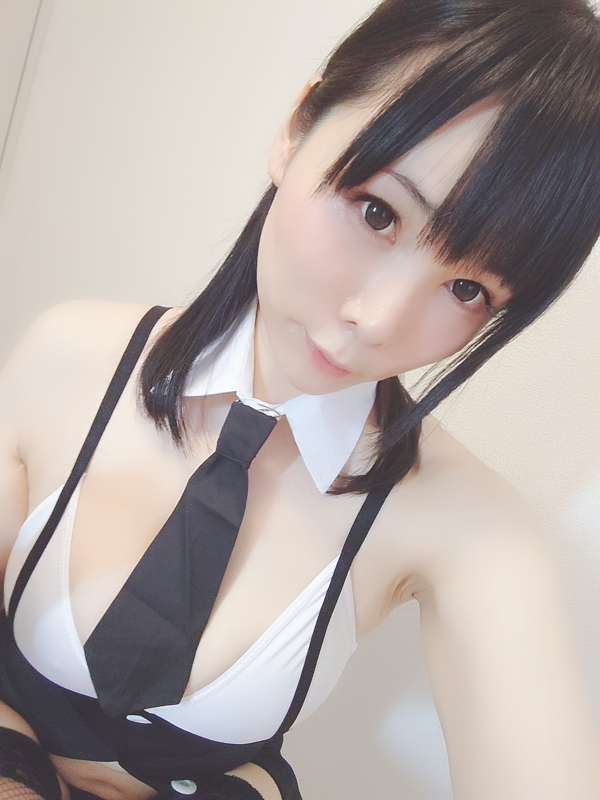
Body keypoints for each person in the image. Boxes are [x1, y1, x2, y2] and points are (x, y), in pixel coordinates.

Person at [2, 1, 600, 798]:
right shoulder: (69, 356)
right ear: (298, 127)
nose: (378, 320)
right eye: (378, 212)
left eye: (467, 289)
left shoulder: (471, 527)